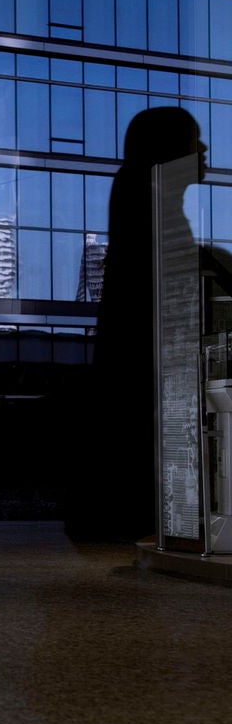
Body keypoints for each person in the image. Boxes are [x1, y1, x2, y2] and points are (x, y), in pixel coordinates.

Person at [68, 106, 232, 543]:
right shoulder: (145, 190)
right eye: (193, 140)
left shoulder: (140, 189)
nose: (203, 149)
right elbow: (171, 261)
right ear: (168, 149)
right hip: (151, 351)